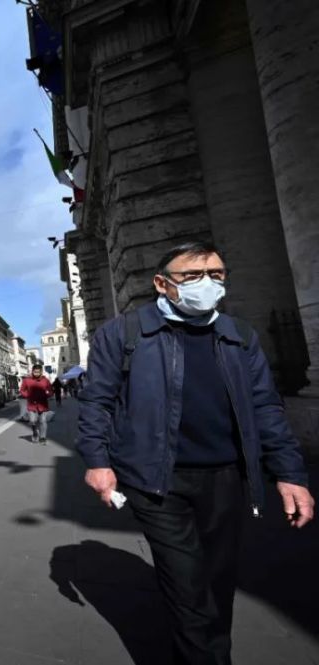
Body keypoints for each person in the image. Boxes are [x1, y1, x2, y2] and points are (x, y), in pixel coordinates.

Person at [77, 240, 314, 665]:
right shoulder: (124, 333)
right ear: (162, 284)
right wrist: (97, 462)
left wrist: (289, 472)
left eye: (216, 274)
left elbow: (265, 406)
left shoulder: (238, 335)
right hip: (155, 480)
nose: (208, 283)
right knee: (187, 586)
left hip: (227, 476)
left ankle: (211, 650)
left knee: (218, 581)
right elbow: (97, 401)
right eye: (193, 276)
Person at [19, 364, 53, 443]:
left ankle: (42, 437)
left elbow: (51, 390)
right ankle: (35, 432)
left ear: (41, 372)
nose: (36, 373)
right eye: (35, 372)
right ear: (32, 371)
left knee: (43, 421)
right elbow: (22, 390)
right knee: (32, 420)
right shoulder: (27, 380)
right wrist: (27, 395)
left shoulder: (45, 380)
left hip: (42, 403)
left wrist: (48, 395)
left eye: (38, 372)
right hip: (32, 404)